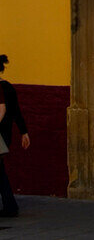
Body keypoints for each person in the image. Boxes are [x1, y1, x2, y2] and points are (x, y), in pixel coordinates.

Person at [0, 55, 30, 218]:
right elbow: (17, 111)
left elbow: (4, 110)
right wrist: (23, 132)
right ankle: (10, 205)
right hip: (6, 134)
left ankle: (10, 205)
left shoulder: (1, 89)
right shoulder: (9, 87)